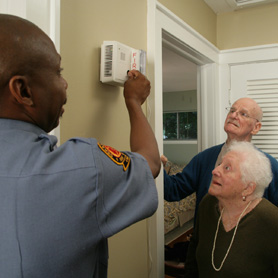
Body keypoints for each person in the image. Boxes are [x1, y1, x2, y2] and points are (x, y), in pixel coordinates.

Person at [0, 14, 161, 278]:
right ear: (23, 91)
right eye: (57, 72)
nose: (64, 83)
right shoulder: (85, 167)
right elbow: (150, 162)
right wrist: (133, 101)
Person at [164, 97, 278, 215]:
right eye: (232, 110)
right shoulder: (204, 158)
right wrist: (156, 165)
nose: (233, 115)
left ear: (256, 127)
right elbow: (173, 190)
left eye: (243, 114)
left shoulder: (269, 166)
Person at [184, 141, 278, 277]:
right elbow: (193, 255)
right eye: (220, 164)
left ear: (248, 188)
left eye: (227, 168)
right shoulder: (207, 204)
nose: (215, 171)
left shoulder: (272, 221)